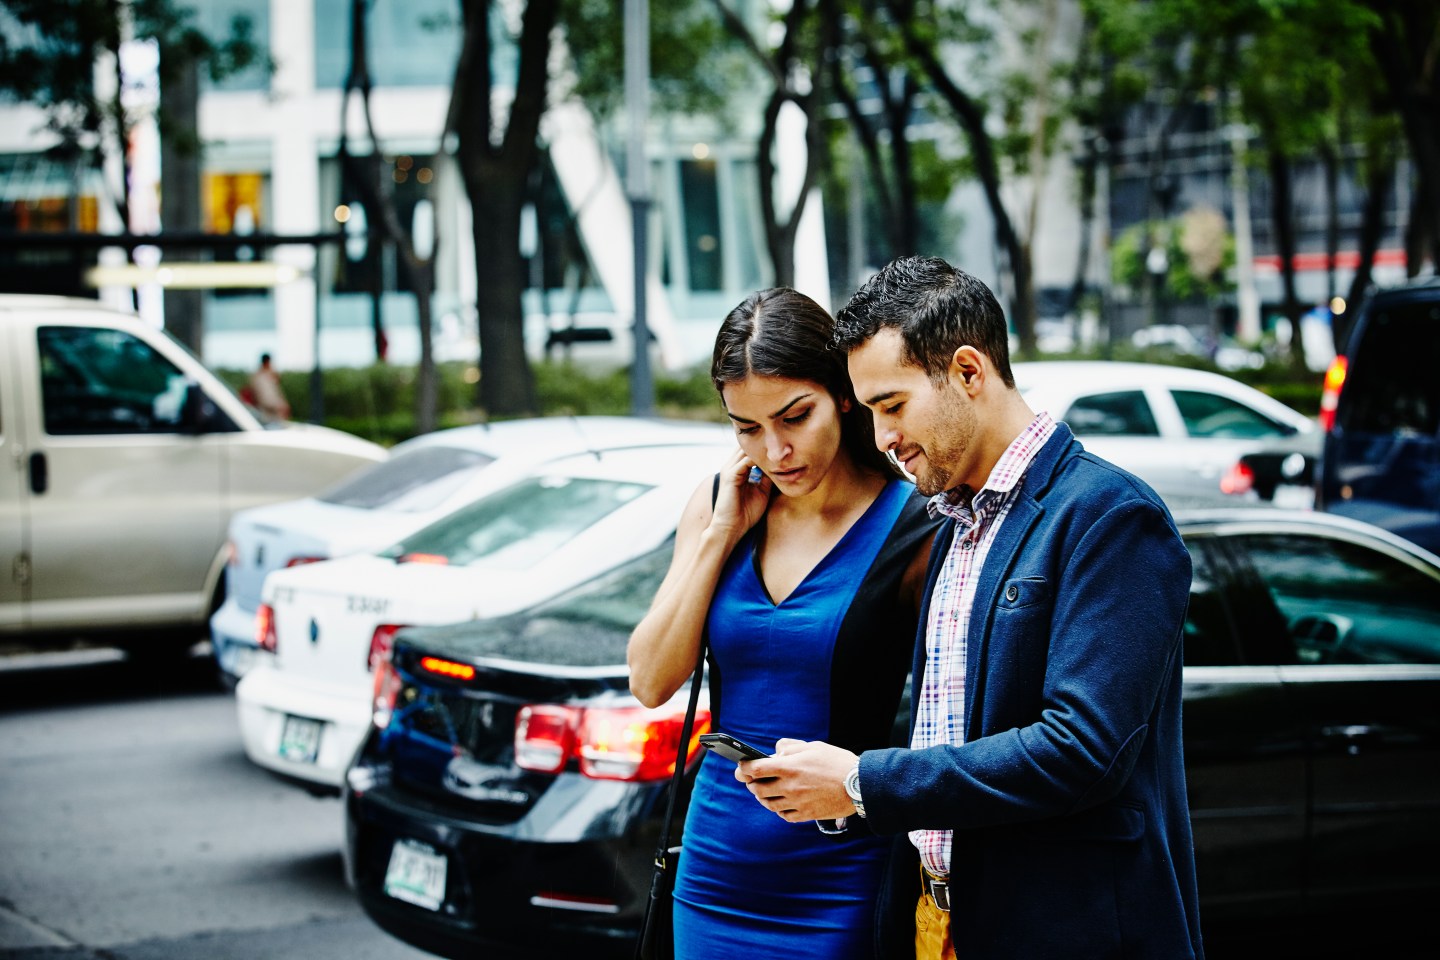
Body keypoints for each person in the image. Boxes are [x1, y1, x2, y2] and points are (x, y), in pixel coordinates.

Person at [738, 257, 1204, 959]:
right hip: (935, 922)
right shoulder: (951, 523)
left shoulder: (1111, 516)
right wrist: (834, 788)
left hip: (1064, 932)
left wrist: (863, 783)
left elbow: (1080, 752)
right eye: (868, 412)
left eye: (891, 405)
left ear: (967, 371)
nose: (883, 437)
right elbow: (943, 729)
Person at [627, 288, 938, 960]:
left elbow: (949, 716)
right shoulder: (720, 508)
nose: (776, 449)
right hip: (714, 866)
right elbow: (651, 680)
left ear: (843, 394)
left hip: (840, 874)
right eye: (746, 428)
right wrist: (718, 535)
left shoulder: (915, 527)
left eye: (795, 417)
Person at [247, 352, 290, 422]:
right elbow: (266, 397)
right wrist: (281, 406)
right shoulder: (260, 377)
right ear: (267, 362)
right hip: (267, 412)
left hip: (270, 411)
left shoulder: (265, 375)